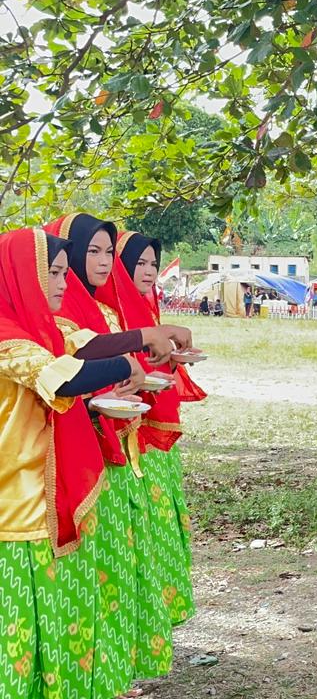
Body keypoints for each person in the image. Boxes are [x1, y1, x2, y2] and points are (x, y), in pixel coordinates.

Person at [46, 212, 194, 696]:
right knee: (91, 575)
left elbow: (104, 359)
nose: (104, 262)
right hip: (67, 465)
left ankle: (110, 667)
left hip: (113, 446)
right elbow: (71, 366)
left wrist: (131, 370)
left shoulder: (99, 310)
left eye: (109, 252)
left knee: (116, 566)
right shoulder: (51, 315)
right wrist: (137, 350)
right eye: (92, 251)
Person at [0, 227, 149, 698]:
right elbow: (62, 380)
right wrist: (127, 364)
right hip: (17, 507)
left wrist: (140, 343)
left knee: (58, 618)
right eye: (54, 273)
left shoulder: (40, 329)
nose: (65, 284)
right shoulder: (7, 337)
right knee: (22, 625)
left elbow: (83, 350)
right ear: (23, 275)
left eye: (66, 273)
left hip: (45, 496)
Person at [118, 231, 207, 632]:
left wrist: (172, 360)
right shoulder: (115, 312)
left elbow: (150, 370)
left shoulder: (147, 307)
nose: (149, 271)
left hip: (154, 438)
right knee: (145, 527)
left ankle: (160, 614)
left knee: (161, 522)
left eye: (153, 264)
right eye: (139, 263)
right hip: (131, 439)